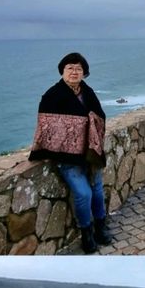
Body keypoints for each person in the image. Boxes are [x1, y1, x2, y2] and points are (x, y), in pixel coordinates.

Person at [29, 53, 113, 253]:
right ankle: (87, 232)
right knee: (83, 194)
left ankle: (101, 227)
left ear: (84, 73)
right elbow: (47, 127)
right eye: (70, 68)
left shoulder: (88, 92)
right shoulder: (52, 96)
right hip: (67, 158)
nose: (74, 72)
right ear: (62, 71)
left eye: (79, 69)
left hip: (91, 153)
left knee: (98, 192)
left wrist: (90, 122)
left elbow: (100, 115)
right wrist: (75, 129)